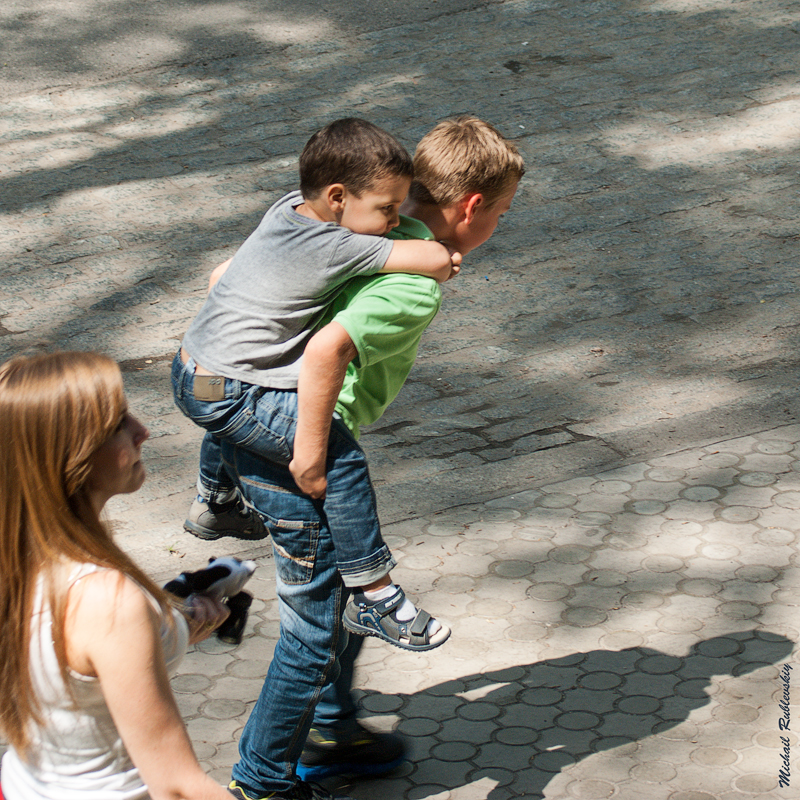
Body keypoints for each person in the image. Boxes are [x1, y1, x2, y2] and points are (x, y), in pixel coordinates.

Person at [187, 117, 524, 798]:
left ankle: (335, 726)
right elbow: (325, 352)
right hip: (295, 437)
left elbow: (226, 274)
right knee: (313, 628)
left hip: (238, 402)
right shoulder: (412, 280)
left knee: (336, 600)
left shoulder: (356, 229)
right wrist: (309, 455)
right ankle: (263, 781)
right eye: (505, 211)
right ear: (472, 206)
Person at [174, 117, 460, 655]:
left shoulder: (287, 209)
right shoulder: (336, 245)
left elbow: (220, 274)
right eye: (386, 209)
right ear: (336, 198)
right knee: (339, 458)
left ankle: (214, 498)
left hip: (194, 370)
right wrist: (444, 260)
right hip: (231, 386)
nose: (394, 220)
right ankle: (375, 595)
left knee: (248, 400)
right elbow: (429, 258)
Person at [0, 351, 233, 800]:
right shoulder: (107, 599)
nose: (143, 431)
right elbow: (178, 787)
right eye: (117, 425)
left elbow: (70, 667)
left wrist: (173, 628)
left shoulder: (22, 558)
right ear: (70, 456)